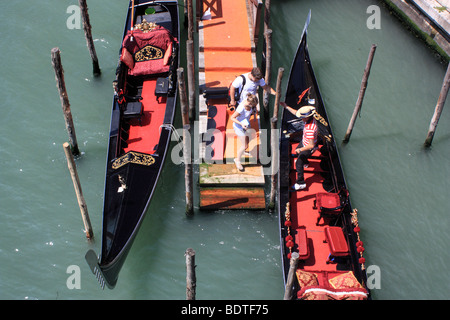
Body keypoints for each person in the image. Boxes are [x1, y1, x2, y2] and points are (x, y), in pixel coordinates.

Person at [280, 101, 318, 190]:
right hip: (304, 141)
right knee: (298, 151)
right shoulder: (310, 119)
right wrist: (286, 106)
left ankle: (301, 182)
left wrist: (301, 150)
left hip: (308, 146)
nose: (301, 118)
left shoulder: (310, 129)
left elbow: (311, 145)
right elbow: (296, 113)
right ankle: (306, 162)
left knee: (298, 163)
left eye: (302, 117)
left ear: (307, 117)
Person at [231, 93, 259, 171]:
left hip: (246, 124)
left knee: (252, 136)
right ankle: (237, 160)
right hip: (239, 127)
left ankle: (243, 151)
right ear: (249, 103)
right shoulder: (241, 108)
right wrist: (241, 124)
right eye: (253, 105)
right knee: (245, 146)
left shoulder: (249, 103)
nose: (253, 107)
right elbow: (232, 118)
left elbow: (252, 110)